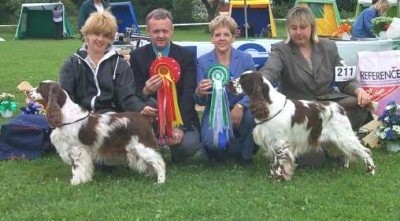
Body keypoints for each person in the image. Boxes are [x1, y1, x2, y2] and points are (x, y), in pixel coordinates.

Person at [259, 5, 373, 167]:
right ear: (288, 29)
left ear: (312, 27)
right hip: (300, 113)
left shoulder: (329, 47)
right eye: (293, 28)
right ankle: (329, 147)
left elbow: (345, 79)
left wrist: (359, 90)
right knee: (313, 162)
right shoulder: (280, 50)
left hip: (325, 104)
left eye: (303, 27)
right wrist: (260, 80)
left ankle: (339, 140)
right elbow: (270, 71)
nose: (298, 32)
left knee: (361, 104)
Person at [129, 8, 201, 162]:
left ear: (172, 31)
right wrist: (145, 90)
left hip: (180, 116)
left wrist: (179, 127)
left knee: (190, 145)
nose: (160, 35)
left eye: (164, 31)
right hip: (150, 116)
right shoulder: (137, 56)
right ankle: (155, 145)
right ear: (148, 31)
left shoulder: (186, 56)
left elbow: (189, 94)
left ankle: (170, 150)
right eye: (155, 31)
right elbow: (133, 92)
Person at [195, 15, 257, 165]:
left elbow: (255, 88)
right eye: (217, 35)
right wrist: (200, 92)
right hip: (214, 111)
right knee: (211, 143)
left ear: (233, 38)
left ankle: (246, 155)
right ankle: (217, 150)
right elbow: (199, 100)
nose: (222, 38)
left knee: (252, 118)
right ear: (212, 38)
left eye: (226, 34)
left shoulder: (245, 59)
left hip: (242, 108)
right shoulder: (202, 61)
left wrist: (241, 105)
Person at [60, 10, 144, 114]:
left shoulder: (120, 65)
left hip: (111, 119)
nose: (100, 39)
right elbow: (66, 97)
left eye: (105, 36)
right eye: (96, 34)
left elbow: (126, 97)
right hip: (79, 118)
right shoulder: (72, 63)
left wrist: (141, 108)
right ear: (87, 35)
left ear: (111, 39)